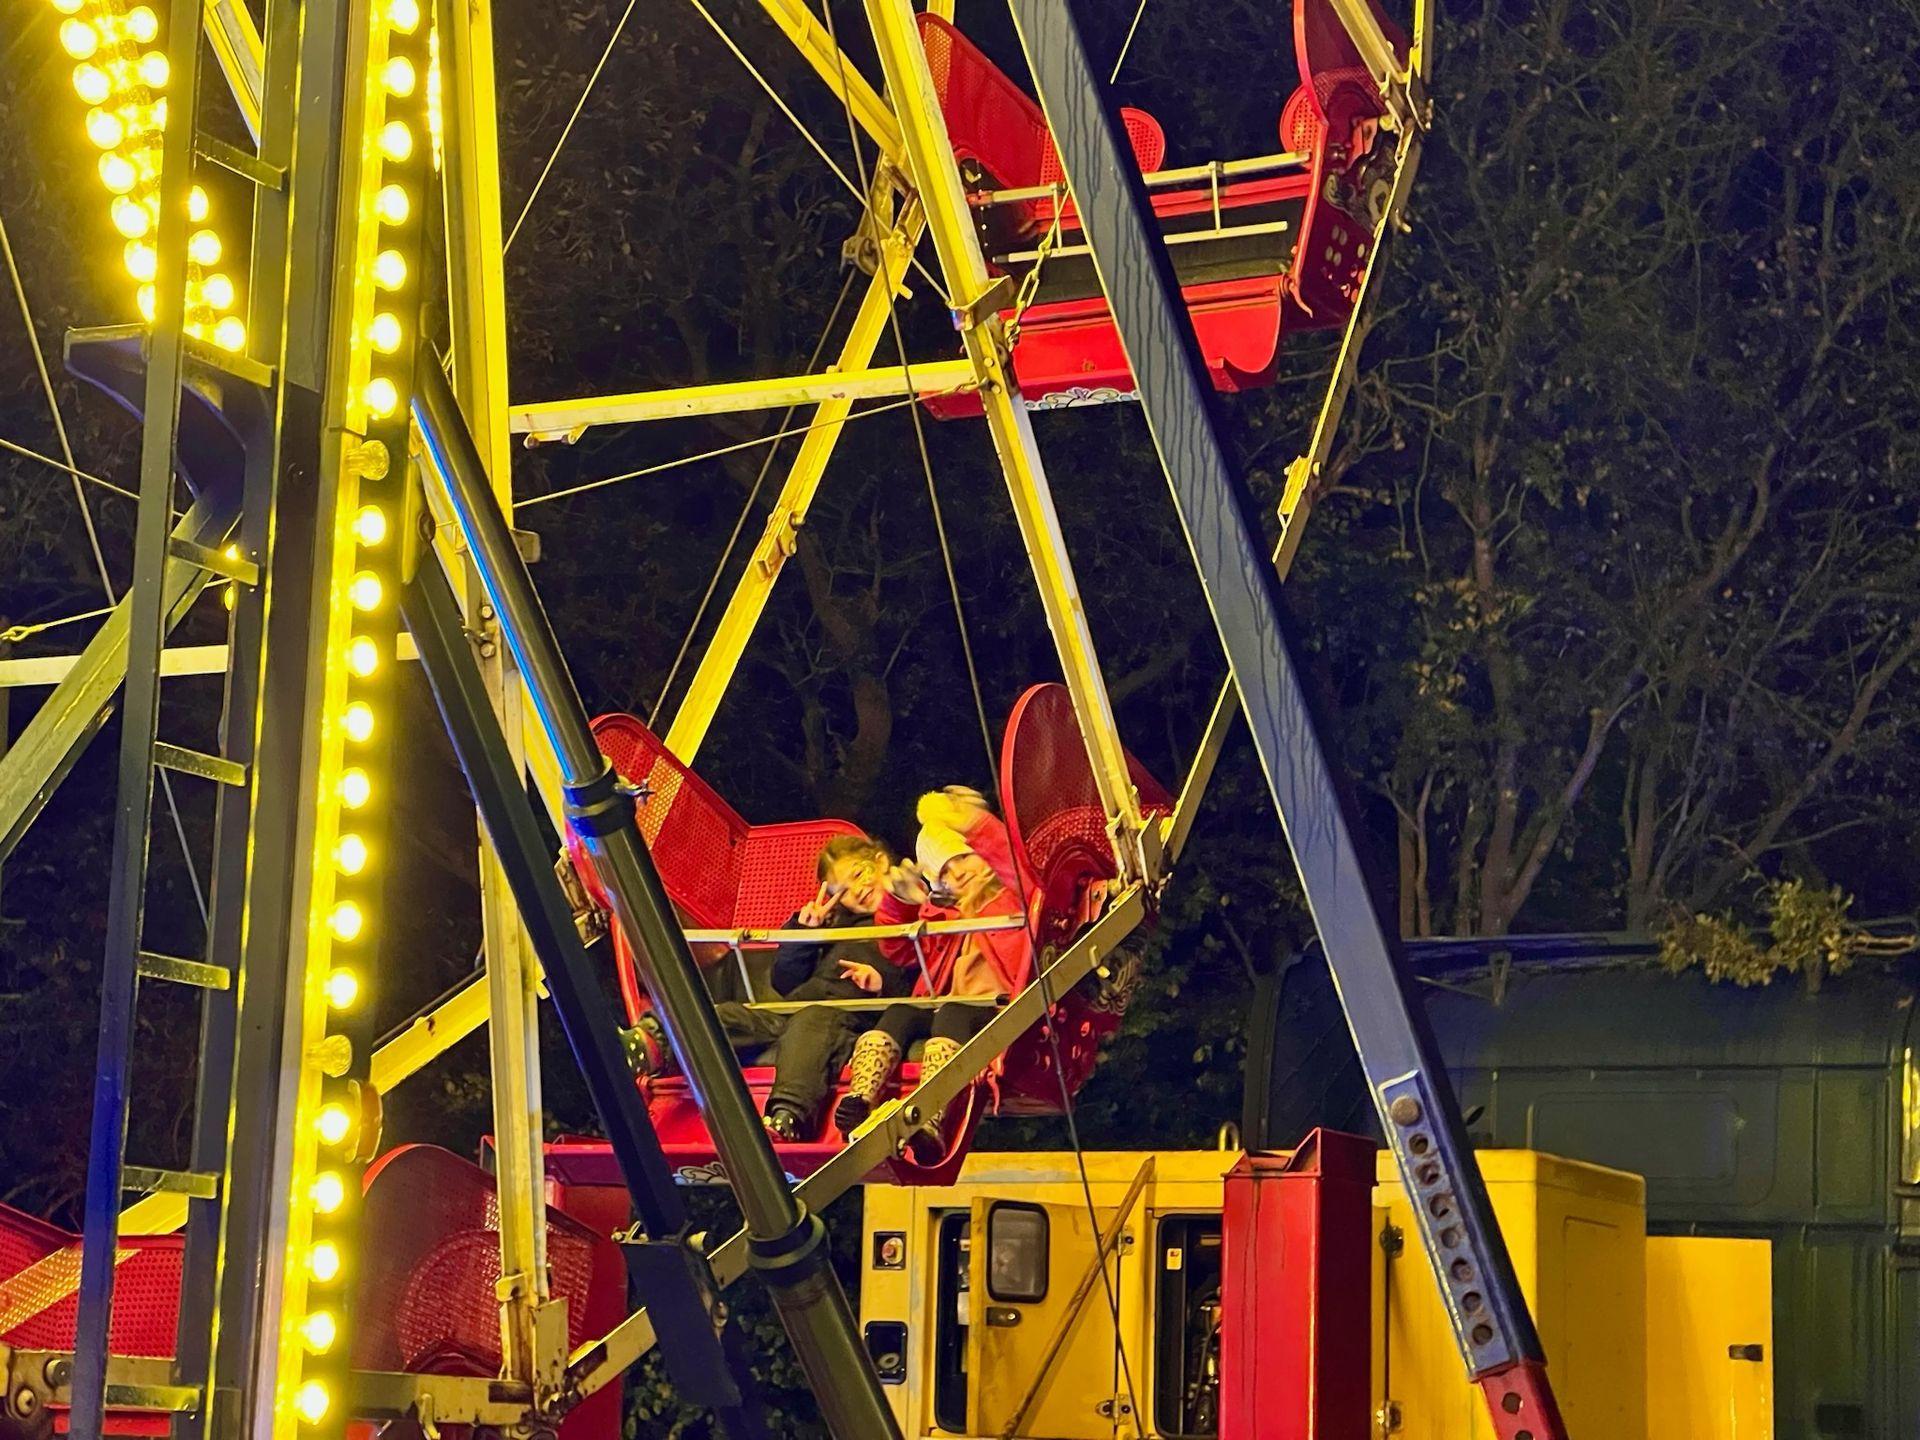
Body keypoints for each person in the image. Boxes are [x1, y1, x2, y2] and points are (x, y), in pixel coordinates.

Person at [619, 834, 914, 1141]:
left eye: (858, 874)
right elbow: (785, 982)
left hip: (848, 1019)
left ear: (880, 860)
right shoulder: (839, 929)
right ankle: (647, 1045)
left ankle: (787, 1120)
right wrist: (805, 933)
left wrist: (880, 983)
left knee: (811, 1024)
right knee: (732, 1015)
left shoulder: (910, 915)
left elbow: (923, 975)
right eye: (844, 892)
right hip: (793, 1011)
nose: (858, 891)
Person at [834, 811, 1036, 1150]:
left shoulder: (1015, 897)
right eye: (946, 871)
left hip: (1001, 1010)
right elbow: (897, 950)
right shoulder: (947, 915)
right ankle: (860, 1101)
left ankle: (931, 1116)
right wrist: (899, 903)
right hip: (948, 1008)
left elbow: (1010, 860)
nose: (958, 874)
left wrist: (972, 823)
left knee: (953, 1012)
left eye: (962, 858)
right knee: (903, 1011)